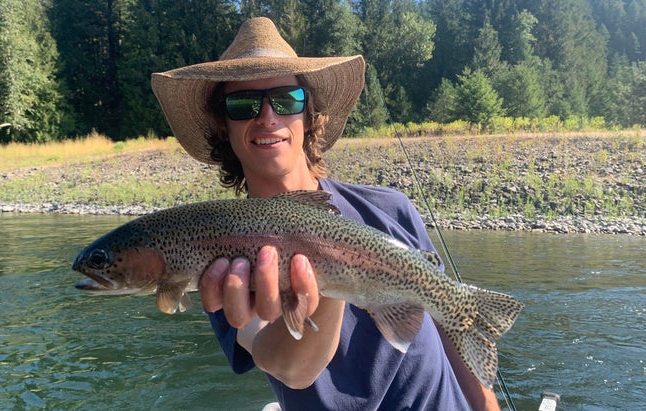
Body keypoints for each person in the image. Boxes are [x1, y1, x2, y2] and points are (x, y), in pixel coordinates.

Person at [151, 17, 499, 410]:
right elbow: (290, 368)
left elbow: (451, 323)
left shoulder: (391, 209)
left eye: (287, 100)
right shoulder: (222, 256)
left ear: (308, 113)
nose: (267, 117)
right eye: (244, 103)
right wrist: (335, 270)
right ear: (223, 125)